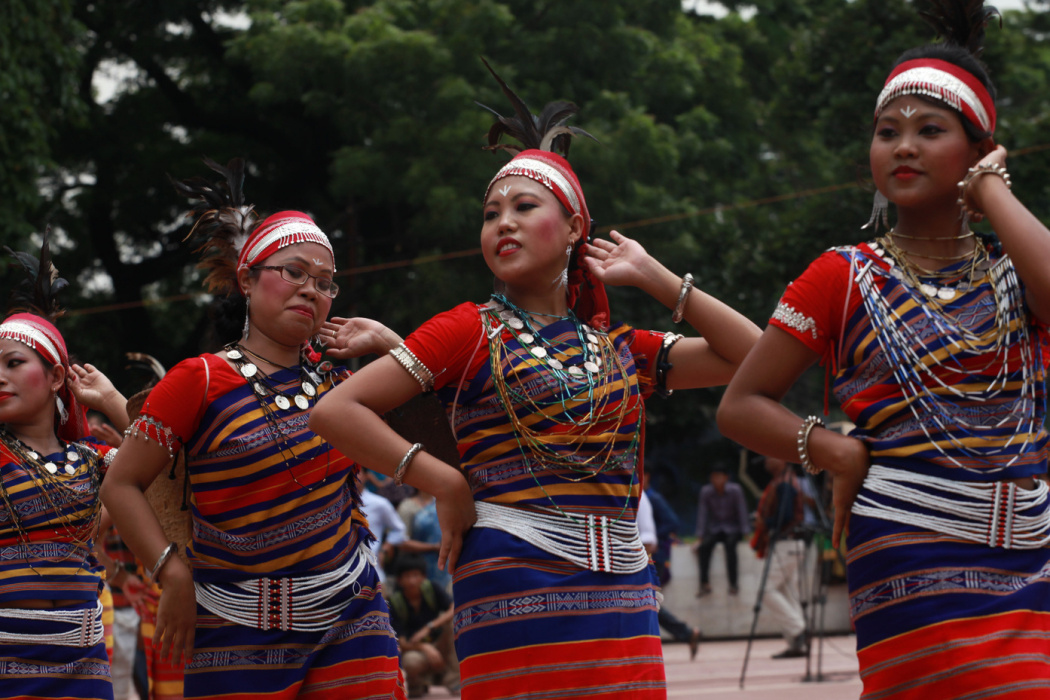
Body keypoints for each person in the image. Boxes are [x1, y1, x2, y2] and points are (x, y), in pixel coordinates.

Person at [310, 64, 760, 698]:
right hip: (512, 587)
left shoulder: (620, 349)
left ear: (576, 227)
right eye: (491, 213)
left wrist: (657, 278)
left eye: (525, 207)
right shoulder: (465, 329)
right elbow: (336, 411)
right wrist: (444, 480)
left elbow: (757, 358)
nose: (503, 223)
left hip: (624, 598)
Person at [718, 3, 1050, 695]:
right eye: (886, 132)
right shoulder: (841, 274)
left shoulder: (1016, 268)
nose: (902, 146)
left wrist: (990, 189)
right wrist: (834, 449)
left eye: (931, 131)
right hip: (907, 551)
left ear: (980, 147)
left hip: (1029, 555)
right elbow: (741, 406)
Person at [100, 159, 407, 699]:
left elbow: (441, 437)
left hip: (353, 616)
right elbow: (120, 485)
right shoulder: (197, 379)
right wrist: (171, 574)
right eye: (292, 272)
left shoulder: (342, 379)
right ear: (246, 279)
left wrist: (390, 346)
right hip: (233, 627)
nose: (310, 290)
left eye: (325, 283)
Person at [0, 235, 131, 700]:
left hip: (84, 667)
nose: (0, 376)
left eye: (14, 363)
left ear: (57, 377)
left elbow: (167, 477)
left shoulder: (93, 462)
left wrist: (114, 401)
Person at [749, 457, 807, 659]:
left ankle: (797, 629)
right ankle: (797, 644)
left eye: (769, 456)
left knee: (766, 589)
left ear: (783, 460)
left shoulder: (784, 484)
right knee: (788, 592)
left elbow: (786, 516)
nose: (765, 461)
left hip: (786, 543)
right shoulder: (786, 480)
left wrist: (763, 522)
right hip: (791, 543)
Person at [637, 488, 702, 660]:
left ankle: (685, 634)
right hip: (642, 555)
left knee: (645, 601)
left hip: (648, 556)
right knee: (645, 602)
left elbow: (670, 524)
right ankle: (686, 634)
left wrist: (655, 538)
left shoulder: (647, 496)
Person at [387, 555, 459, 698]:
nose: (412, 580)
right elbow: (402, 643)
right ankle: (417, 684)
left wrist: (429, 627)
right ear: (400, 580)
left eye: (416, 575)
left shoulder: (432, 589)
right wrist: (424, 647)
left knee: (454, 623)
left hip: (440, 644)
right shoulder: (395, 603)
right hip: (416, 650)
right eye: (407, 576)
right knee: (410, 661)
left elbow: (453, 608)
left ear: (423, 577)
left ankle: (453, 680)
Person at [694, 464, 749, 596]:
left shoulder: (735, 490)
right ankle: (704, 583)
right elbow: (702, 514)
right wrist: (700, 536)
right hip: (715, 528)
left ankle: (733, 584)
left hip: (732, 528)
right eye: (714, 477)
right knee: (704, 547)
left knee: (731, 546)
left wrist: (746, 532)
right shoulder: (706, 491)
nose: (717, 480)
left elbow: (742, 510)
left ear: (726, 478)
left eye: (719, 477)